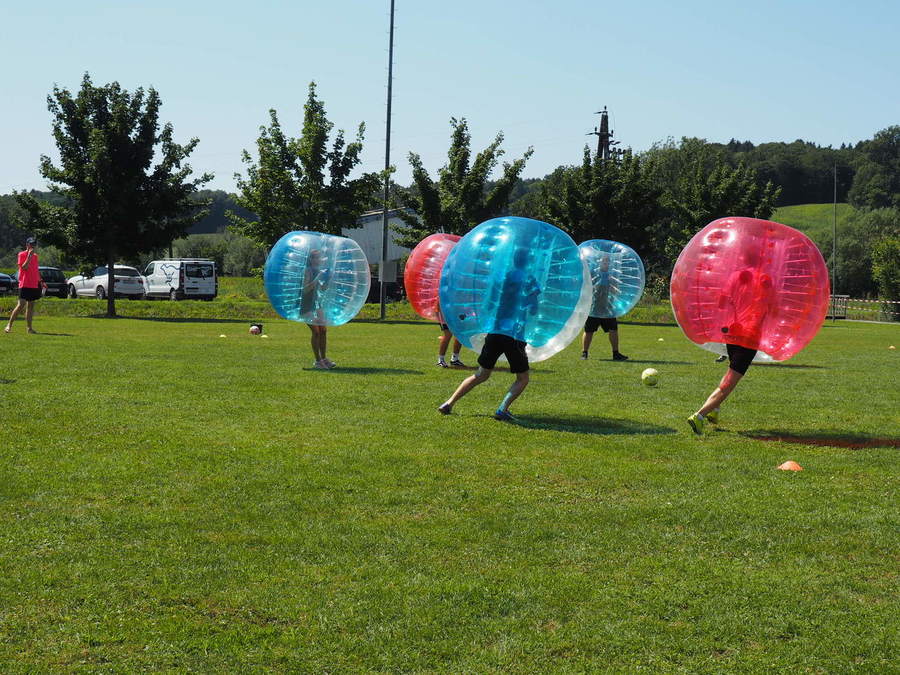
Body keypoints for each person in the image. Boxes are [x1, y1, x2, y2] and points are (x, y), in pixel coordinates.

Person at [438, 248, 540, 422]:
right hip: (514, 335)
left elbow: (490, 305)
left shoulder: (503, 278)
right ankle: (502, 409)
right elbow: (533, 309)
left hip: (494, 331)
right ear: (529, 261)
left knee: (481, 374)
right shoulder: (529, 279)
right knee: (523, 378)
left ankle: (449, 403)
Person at [688, 257, 773, 435]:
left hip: (733, 332)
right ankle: (699, 415)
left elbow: (721, 303)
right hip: (750, 336)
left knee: (730, 372)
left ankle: (715, 409)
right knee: (730, 381)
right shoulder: (765, 279)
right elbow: (773, 309)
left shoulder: (735, 276)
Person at [580, 255, 627, 361]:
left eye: (608, 262)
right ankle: (584, 353)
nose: (606, 264)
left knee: (613, 330)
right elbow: (587, 288)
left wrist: (613, 284)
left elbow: (615, 291)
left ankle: (616, 353)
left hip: (608, 307)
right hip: (594, 307)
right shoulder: (593, 274)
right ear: (599, 263)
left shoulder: (612, 276)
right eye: (604, 262)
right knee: (589, 330)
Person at [301, 249, 334, 370]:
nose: (317, 260)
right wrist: (318, 277)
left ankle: (324, 359)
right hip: (306, 304)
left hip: (316, 303)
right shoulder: (307, 271)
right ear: (310, 259)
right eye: (314, 257)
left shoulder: (319, 271)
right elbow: (305, 289)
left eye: (319, 257)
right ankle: (317, 361)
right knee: (316, 332)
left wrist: (328, 279)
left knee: (323, 330)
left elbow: (322, 289)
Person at [5, 237, 46, 334]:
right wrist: (29, 256)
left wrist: (41, 281)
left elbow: (36, 270)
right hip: (24, 283)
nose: (33, 246)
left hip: (34, 284)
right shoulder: (21, 254)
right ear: (27, 244)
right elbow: (24, 267)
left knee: (31, 306)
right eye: (31, 244)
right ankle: (9, 325)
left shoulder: (36, 256)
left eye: (34, 244)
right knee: (21, 304)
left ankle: (29, 328)